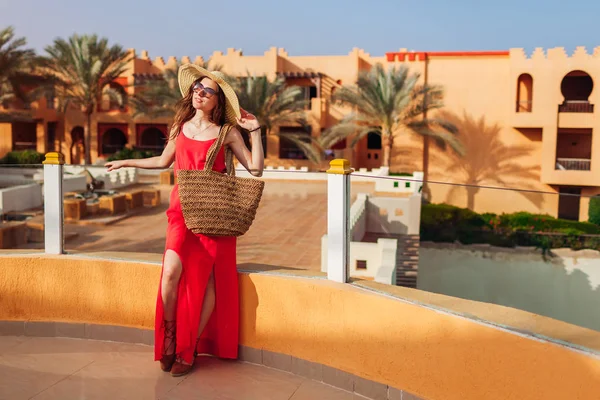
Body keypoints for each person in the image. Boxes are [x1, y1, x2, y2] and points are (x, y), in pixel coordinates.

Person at [105, 64, 264, 377]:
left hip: (213, 213)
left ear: (218, 101)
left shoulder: (227, 132)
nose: (199, 94)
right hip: (180, 211)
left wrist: (255, 131)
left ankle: (187, 351)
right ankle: (169, 340)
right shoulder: (180, 126)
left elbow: (255, 169)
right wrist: (125, 160)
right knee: (170, 275)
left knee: (205, 284)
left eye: (207, 91)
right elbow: (164, 161)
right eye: (196, 89)